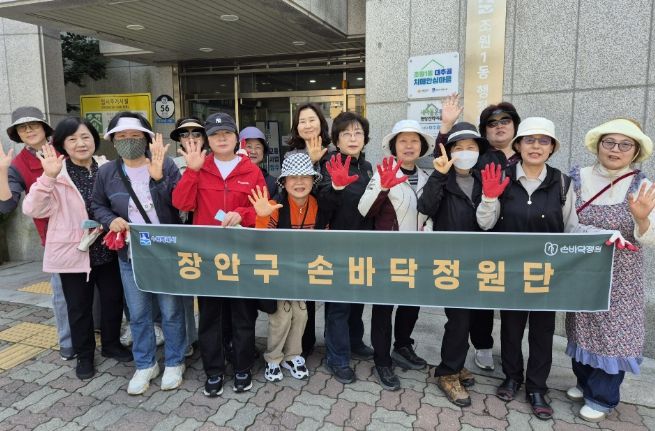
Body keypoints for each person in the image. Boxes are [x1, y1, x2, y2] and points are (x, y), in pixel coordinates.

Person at [476, 117, 634, 420]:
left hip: (546, 274)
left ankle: (537, 387)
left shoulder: (562, 182)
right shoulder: (503, 177)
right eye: (529, 140)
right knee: (510, 328)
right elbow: (485, 224)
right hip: (510, 272)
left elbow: (572, 227)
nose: (536, 146)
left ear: (552, 148)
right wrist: (489, 197)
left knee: (542, 332)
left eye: (543, 141)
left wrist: (604, 235)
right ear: (518, 145)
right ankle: (512, 378)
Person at [22, 117, 131, 379]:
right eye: (72, 139)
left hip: (108, 247)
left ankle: (111, 344)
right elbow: (33, 209)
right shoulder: (56, 172)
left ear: (94, 140)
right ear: (62, 144)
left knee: (113, 300)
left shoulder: (107, 168)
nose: (80, 143)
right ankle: (84, 355)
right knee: (79, 307)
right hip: (74, 251)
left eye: (85, 137)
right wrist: (48, 177)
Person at [565, 118, 655, 422]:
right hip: (583, 269)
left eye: (625, 145)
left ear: (636, 151)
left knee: (615, 333)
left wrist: (642, 219)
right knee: (581, 325)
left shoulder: (643, 186)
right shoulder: (577, 178)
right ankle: (584, 382)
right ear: (598, 146)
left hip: (622, 276)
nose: (616, 150)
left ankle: (602, 397)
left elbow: (650, 237)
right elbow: (567, 222)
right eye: (610, 142)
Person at [92, 112, 187, 395]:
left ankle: (175, 361)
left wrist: (158, 179)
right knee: (138, 313)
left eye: (135, 136)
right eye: (122, 136)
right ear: (113, 141)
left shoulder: (165, 164)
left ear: (145, 139)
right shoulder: (107, 172)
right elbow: (97, 205)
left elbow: (180, 204)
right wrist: (110, 220)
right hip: (131, 255)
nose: (128, 141)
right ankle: (145, 364)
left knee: (171, 310)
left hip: (166, 251)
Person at [172, 112, 266, 397]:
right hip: (208, 256)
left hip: (241, 255)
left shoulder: (251, 171)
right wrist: (192, 171)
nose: (221, 138)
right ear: (207, 140)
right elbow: (181, 203)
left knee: (242, 315)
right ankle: (213, 371)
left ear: (237, 138)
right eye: (214, 134)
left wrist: (242, 215)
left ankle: (242, 367)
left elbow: (262, 211)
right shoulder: (200, 166)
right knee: (210, 317)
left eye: (226, 133)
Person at [433, 96, 522, 371]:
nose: (499, 126)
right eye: (492, 123)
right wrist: (445, 126)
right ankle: (479, 348)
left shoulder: (526, 156)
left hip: (515, 240)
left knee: (508, 305)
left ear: (515, 126)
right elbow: (443, 159)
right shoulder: (479, 159)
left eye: (505, 121)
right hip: (479, 237)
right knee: (476, 302)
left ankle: (511, 363)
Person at [417, 122, 489, 406]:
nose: (466, 152)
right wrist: (438, 175)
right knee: (458, 319)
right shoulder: (442, 180)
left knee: (471, 318)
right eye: (459, 148)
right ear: (450, 152)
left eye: (471, 147)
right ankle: (447, 372)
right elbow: (425, 207)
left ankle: (456, 364)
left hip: (480, 260)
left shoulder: (484, 179)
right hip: (450, 260)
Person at [358, 119, 432, 391]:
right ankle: (382, 361)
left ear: (421, 147)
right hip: (387, 254)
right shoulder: (382, 173)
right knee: (383, 309)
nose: (409, 146)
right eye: (403, 141)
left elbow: (430, 213)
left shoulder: (427, 177)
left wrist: (429, 229)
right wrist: (383, 187)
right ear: (394, 146)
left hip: (417, 254)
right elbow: (364, 210)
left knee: (411, 304)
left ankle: (402, 346)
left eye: (414, 141)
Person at [0, 107, 74, 361]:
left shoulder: (65, 147)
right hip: (55, 236)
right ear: (17, 134)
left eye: (33, 124)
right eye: (22, 127)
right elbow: (6, 205)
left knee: (98, 284)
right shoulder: (18, 164)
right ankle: (68, 342)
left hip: (88, 228)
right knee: (62, 292)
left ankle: (97, 328)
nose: (29, 130)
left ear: (44, 127)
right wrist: (2, 171)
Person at [249, 153, 322, 382]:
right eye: (293, 177)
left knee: (301, 314)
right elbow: (259, 241)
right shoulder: (273, 205)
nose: (299, 182)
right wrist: (261, 217)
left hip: (302, 273)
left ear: (313, 180)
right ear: (284, 182)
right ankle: (273, 358)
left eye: (305, 177)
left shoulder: (317, 205)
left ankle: (293, 355)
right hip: (278, 273)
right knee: (281, 316)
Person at [317, 111, 375, 383]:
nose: (353, 138)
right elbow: (323, 207)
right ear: (337, 140)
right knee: (338, 304)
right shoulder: (330, 164)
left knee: (357, 298)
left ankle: (354, 341)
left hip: (364, 245)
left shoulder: (367, 167)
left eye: (358, 133)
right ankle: (337, 357)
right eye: (346, 134)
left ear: (365, 138)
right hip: (337, 247)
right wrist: (336, 188)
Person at [240, 126, 279, 200]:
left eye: (258, 147)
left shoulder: (271, 182)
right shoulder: (229, 176)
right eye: (249, 146)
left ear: (263, 152)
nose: (253, 151)